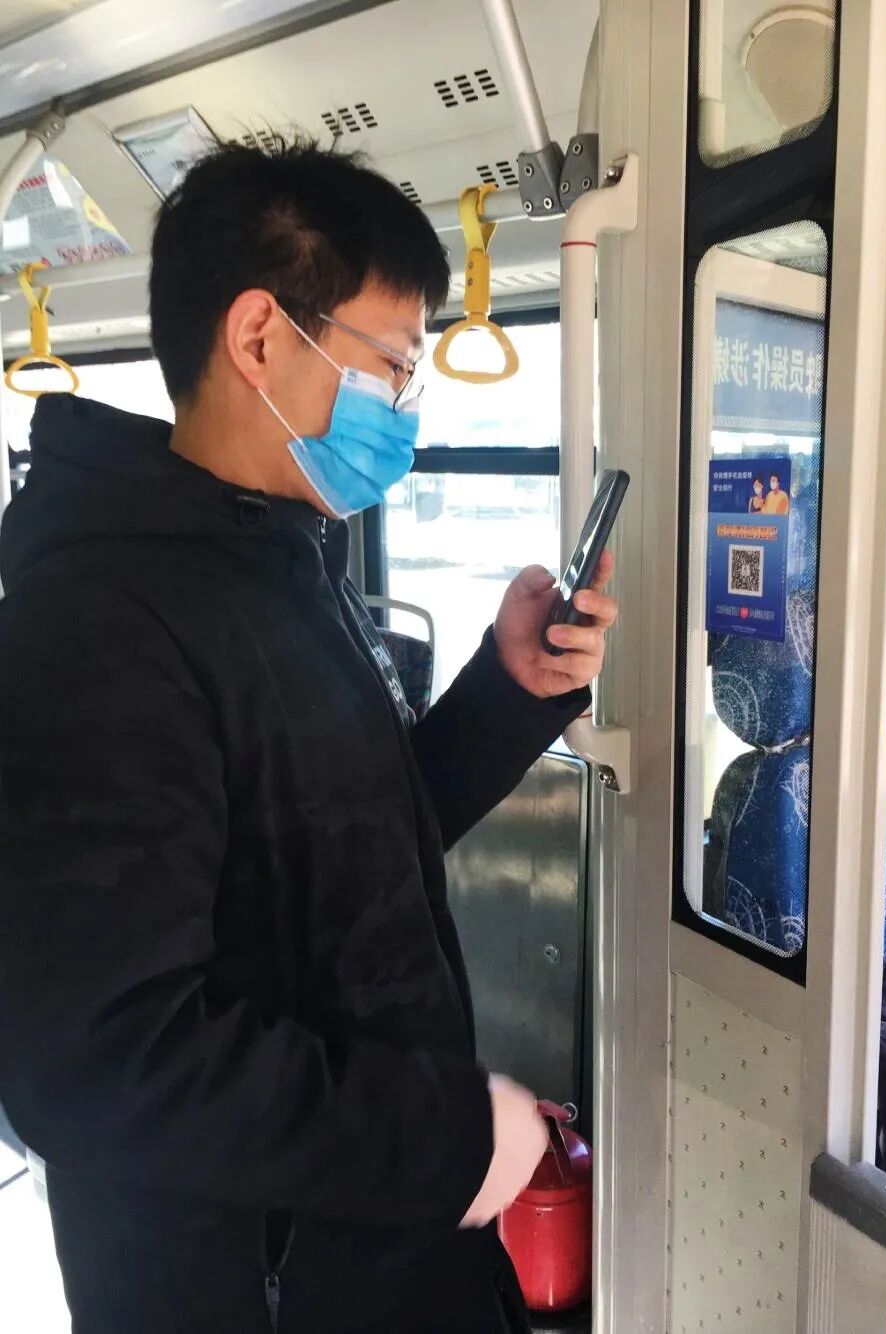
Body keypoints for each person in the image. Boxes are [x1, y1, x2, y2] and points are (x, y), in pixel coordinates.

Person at [0, 139, 619, 1334]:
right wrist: (441, 1136)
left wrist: (508, 689)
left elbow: (344, 839)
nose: (404, 407)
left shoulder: (277, 558)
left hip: (371, 1243)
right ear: (258, 336)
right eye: (392, 365)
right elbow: (100, 1062)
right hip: (256, 1284)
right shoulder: (95, 624)